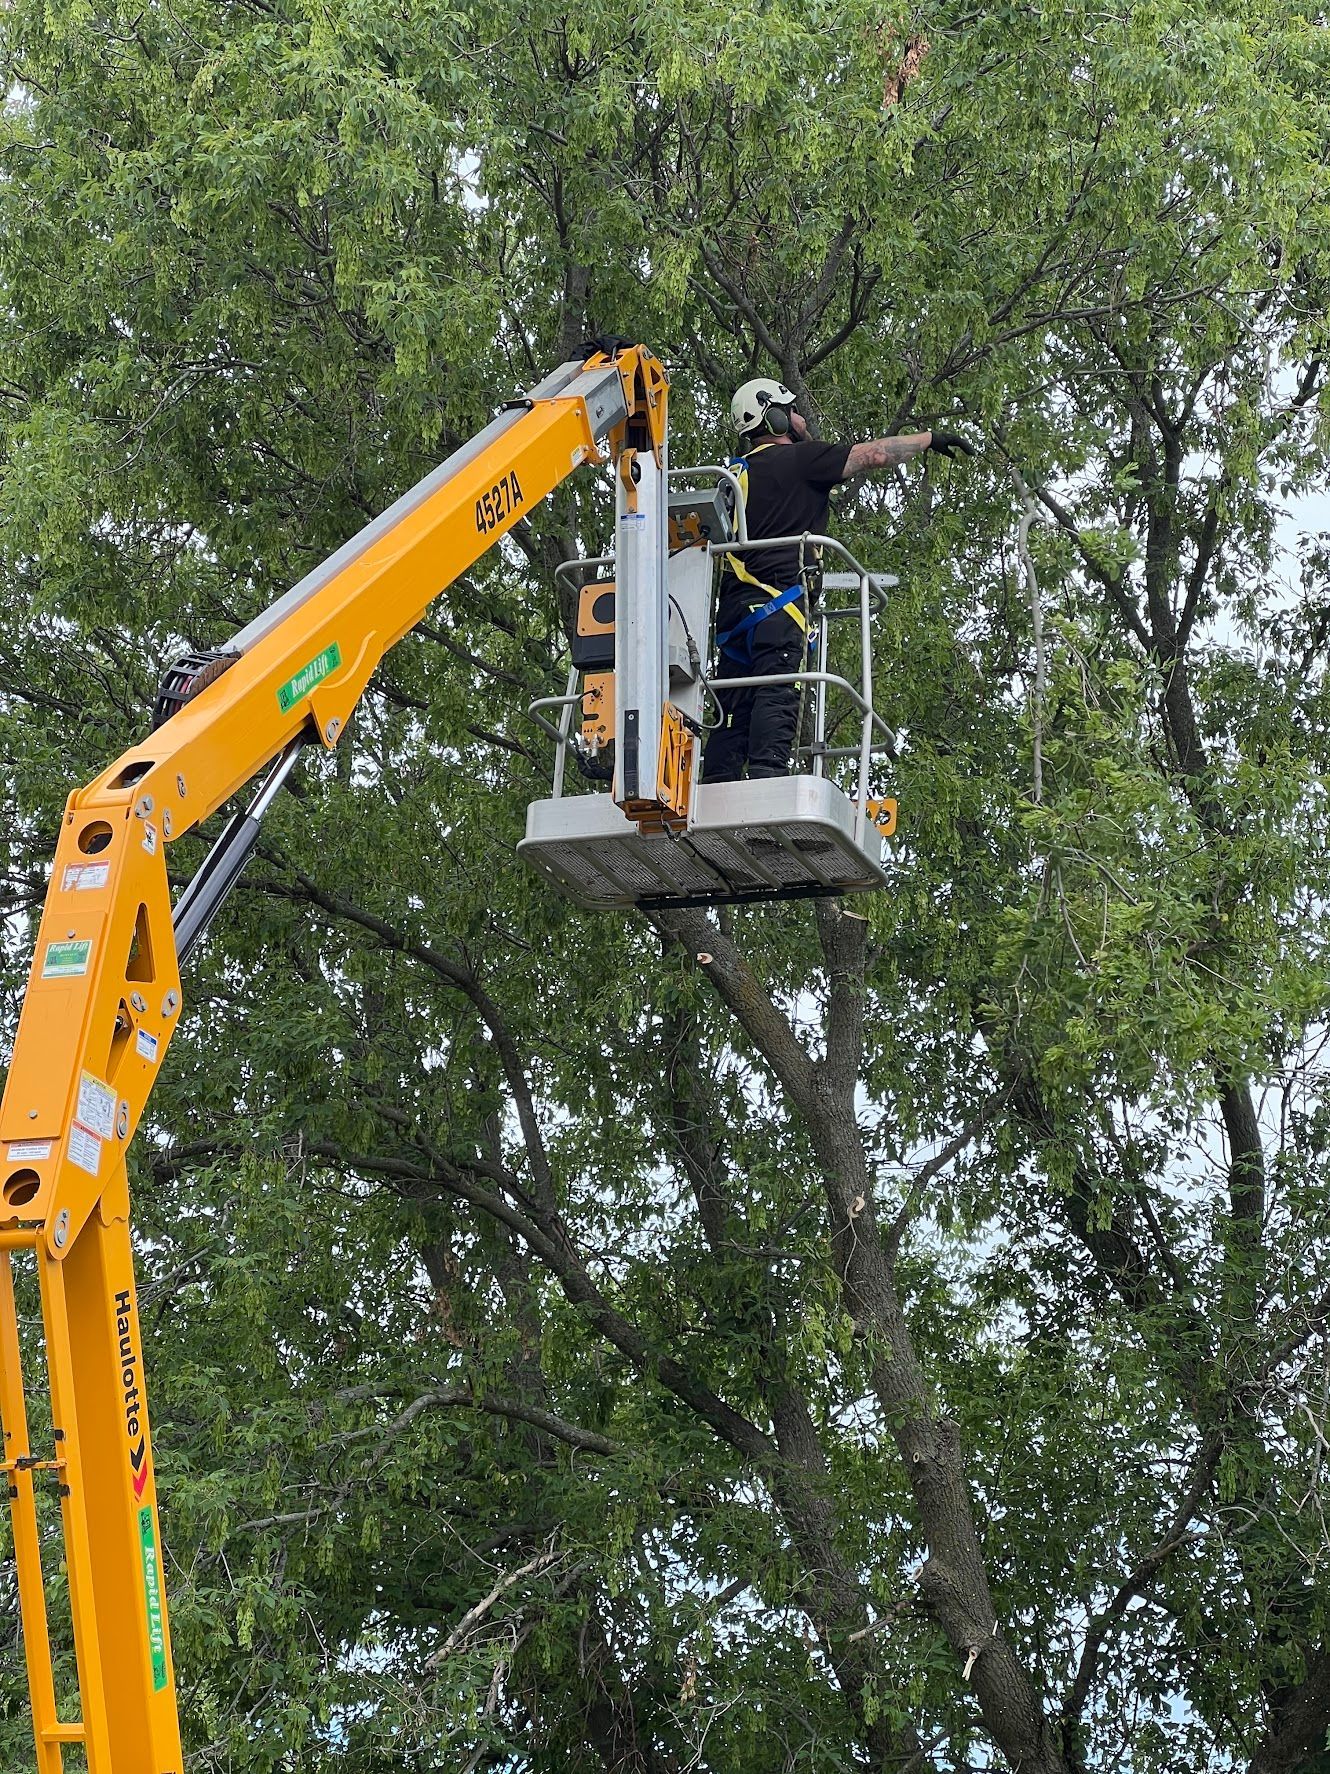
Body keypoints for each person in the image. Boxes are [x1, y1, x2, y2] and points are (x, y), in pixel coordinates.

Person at [702, 377, 974, 783]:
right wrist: (929, 438)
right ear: (774, 418)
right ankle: (767, 782)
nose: (799, 417)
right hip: (778, 608)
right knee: (777, 691)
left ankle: (717, 784)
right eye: (790, 410)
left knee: (735, 700)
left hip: (734, 617)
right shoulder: (800, 460)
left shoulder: (730, 478)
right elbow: (875, 455)